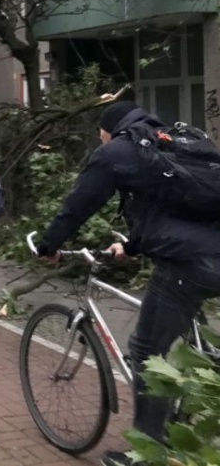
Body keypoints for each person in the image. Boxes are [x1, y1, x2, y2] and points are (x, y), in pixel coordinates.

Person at [36, 101, 220, 466]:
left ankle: (147, 454)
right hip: (210, 255)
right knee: (185, 337)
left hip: (191, 264)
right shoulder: (174, 141)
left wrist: (48, 246)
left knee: (146, 353)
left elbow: (80, 203)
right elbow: (174, 207)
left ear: (108, 129)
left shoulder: (117, 150)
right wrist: (133, 245)